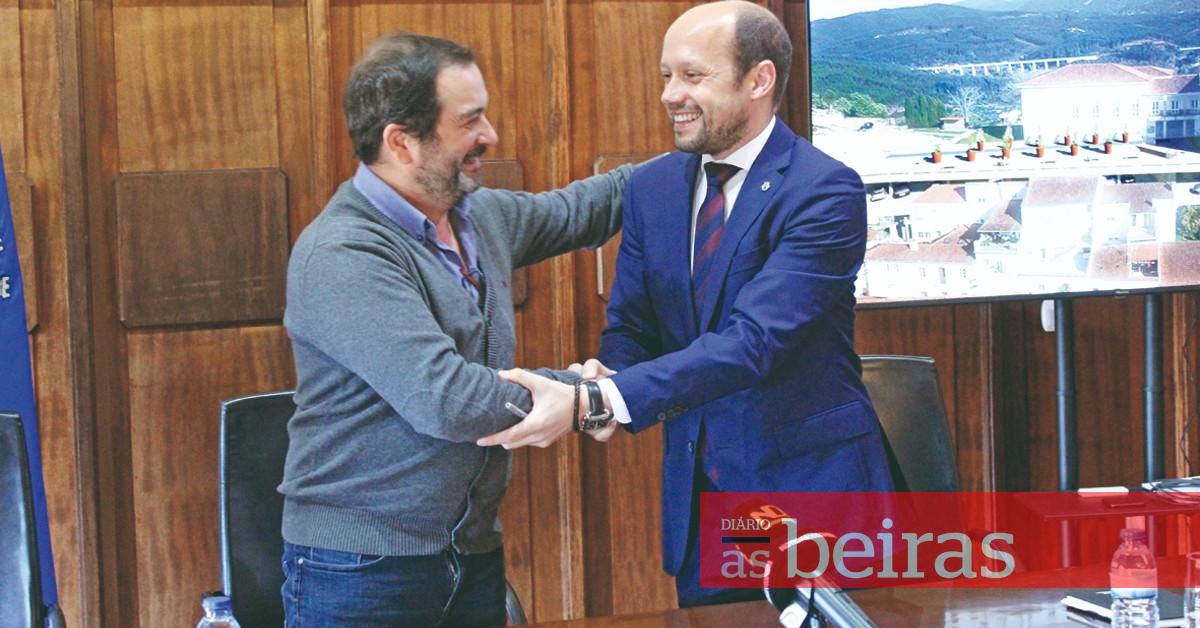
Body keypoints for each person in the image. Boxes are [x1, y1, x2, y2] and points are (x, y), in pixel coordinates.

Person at [477, 0, 893, 608]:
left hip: (812, 498)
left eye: (693, 76)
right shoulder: (653, 187)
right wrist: (608, 375)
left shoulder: (824, 190)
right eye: (666, 76)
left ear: (759, 80)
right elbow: (632, 325)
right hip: (704, 508)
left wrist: (599, 401)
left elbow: (754, 343)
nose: (671, 95)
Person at [279, 31, 631, 627]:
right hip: (359, 571)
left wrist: (707, 150)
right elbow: (448, 400)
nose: (490, 134)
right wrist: (585, 395)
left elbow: (583, 208)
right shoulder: (343, 252)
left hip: (470, 553)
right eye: (469, 121)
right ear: (401, 141)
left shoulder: (478, 216)